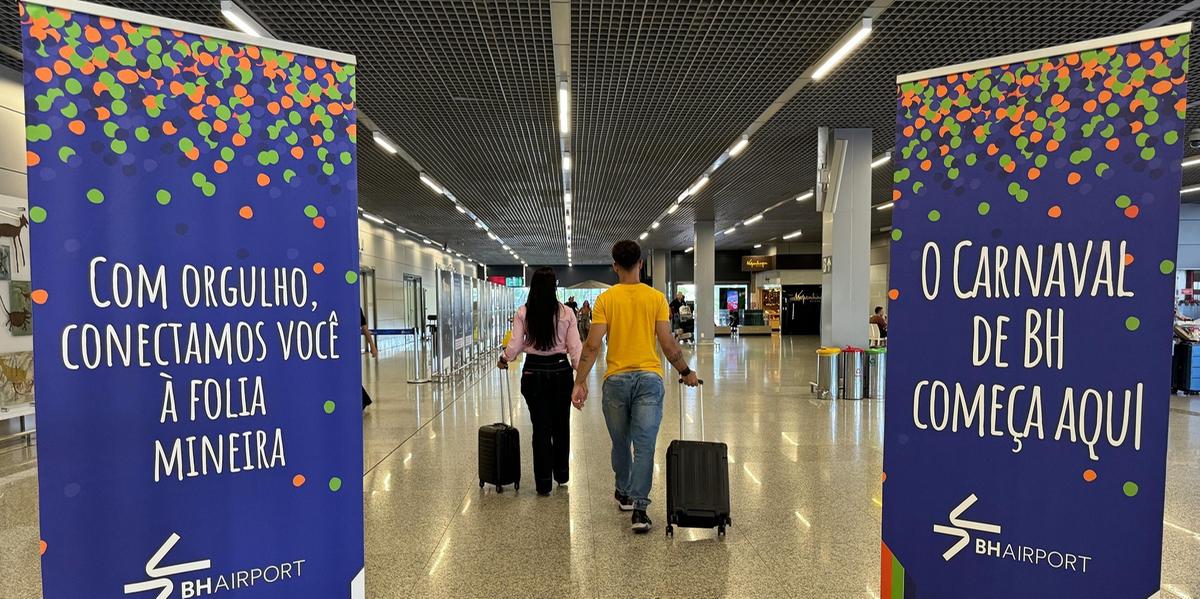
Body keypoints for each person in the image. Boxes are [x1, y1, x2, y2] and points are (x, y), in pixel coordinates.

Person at [572, 240, 699, 533]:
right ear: (641, 263)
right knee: (644, 447)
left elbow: (591, 346)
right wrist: (686, 372)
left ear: (615, 266)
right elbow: (668, 345)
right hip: (649, 381)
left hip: (615, 381)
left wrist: (579, 382)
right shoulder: (656, 298)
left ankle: (624, 491)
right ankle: (640, 510)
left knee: (621, 443)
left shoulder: (606, 300)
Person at [498, 267, 582, 496]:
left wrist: (504, 358)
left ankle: (543, 482)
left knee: (541, 428)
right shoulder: (566, 313)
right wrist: (581, 380)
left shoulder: (524, 312)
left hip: (533, 373)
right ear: (554, 287)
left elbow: (514, 346)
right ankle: (561, 474)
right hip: (560, 372)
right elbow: (576, 351)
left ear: (533, 287)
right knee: (561, 426)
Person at [361, 307, 378, 410]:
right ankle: (364, 400)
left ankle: (363, 400)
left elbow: (364, 328)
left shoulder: (356, 308)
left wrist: (372, 346)